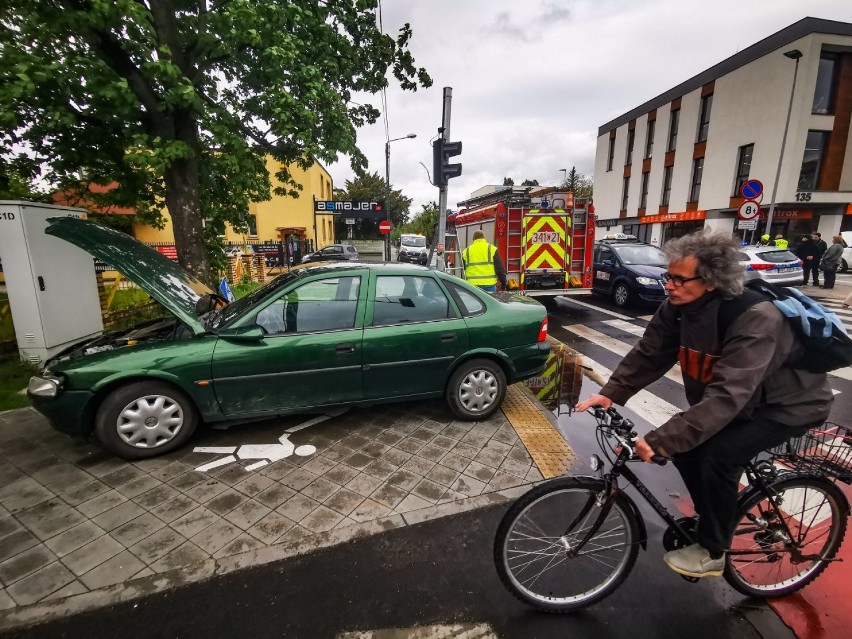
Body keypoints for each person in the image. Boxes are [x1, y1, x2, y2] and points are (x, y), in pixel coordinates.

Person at [575, 231, 832, 579]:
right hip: (741, 401)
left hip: (786, 406)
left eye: (679, 279)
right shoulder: (677, 308)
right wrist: (613, 391)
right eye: (669, 276)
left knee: (719, 456)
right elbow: (651, 353)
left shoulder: (756, 318)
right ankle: (712, 515)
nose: (670, 285)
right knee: (687, 449)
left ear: (711, 282)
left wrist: (662, 439)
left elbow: (728, 396)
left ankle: (713, 551)